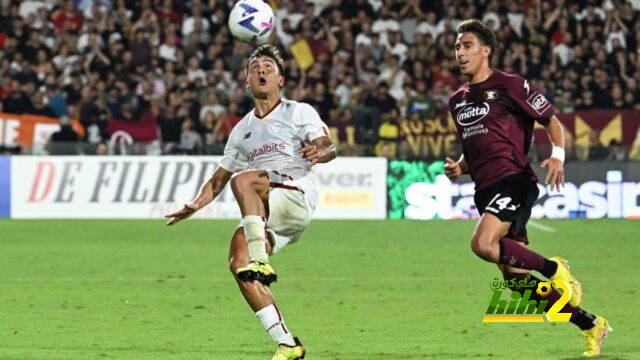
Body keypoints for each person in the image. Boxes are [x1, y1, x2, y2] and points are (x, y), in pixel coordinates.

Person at [444, 19, 611, 357]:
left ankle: (555, 268)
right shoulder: (457, 100)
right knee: (516, 279)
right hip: (484, 188)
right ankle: (591, 324)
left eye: (467, 46)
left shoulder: (510, 85)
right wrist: (459, 167)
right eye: (457, 47)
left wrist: (558, 156)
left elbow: (550, 119)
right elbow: (476, 144)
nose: (460, 53)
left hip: (514, 179)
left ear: (486, 50)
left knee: (482, 243)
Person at [165, 44, 336, 360]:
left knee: (243, 180)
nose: (262, 70)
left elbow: (327, 144)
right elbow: (217, 179)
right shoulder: (241, 130)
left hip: (296, 196)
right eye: (255, 67)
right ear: (246, 81)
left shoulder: (298, 111)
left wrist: (322, 152)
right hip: (270, 213)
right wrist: (195, 205)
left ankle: (261, 258)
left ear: (281, 79)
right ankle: (287, 343)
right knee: (238, 264)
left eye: (269, 67)